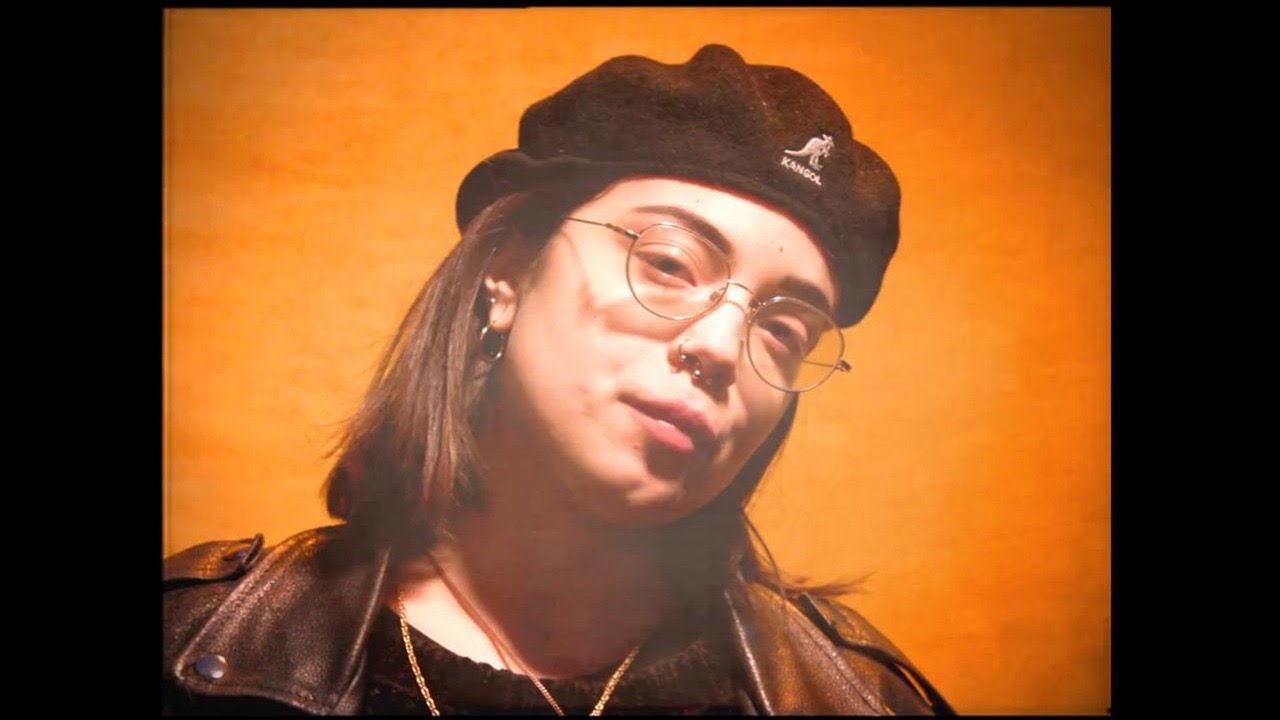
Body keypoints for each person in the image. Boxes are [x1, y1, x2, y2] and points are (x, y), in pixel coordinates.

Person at [163, 44, 954, 715]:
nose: (719, 347)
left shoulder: (858, 699)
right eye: (669, 263)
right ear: (508, 273)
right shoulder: (198, 646)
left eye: (783, 331)